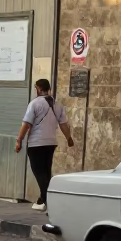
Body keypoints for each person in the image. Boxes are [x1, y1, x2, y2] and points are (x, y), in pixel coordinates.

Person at [14, 79, 74, 213]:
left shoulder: (34, 104)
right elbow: (63, 124)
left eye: (36, 88)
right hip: (51, 143)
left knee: (39, 172)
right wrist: (69, 138)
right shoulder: (57, 105)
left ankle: (49, 200)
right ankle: (42, 199)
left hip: (36, 143)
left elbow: (26, 124)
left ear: (39, 88)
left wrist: (19, 140)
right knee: (46, 171)